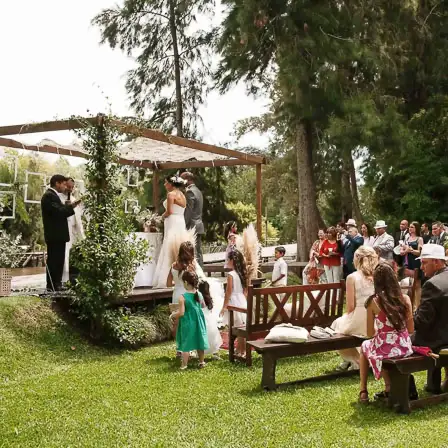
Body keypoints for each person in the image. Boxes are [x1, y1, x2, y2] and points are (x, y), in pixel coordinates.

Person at [358, 263, 414, 403]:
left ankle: (364, 390)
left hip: (386, 348)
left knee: (366, 346)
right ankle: (388, 386)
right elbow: (411, 329)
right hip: (404, 347)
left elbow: (370, 332)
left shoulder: (373, 302)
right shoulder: (405, 299)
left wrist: (382, 330)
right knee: (377, 348)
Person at [331, 246, 378, 370]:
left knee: (337, 325)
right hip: (377, 318)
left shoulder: (352, 277)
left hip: (360, 318)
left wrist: (348, 317)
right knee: (341, 325)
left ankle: (354, 360)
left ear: (357, 258)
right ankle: (354, 359)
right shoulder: (378, 275)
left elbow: (351, 307)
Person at [413, 244, 448, 393]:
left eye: (424, 262)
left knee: (400, 341)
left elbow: (421, 322)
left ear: (436, 262)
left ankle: (401, 389)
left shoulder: (432, 285)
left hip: (438, 340)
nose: (421, 267)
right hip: (442, 334)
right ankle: (436, 383)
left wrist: (412, 314)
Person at [41, 175, 80, 291]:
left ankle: (56, 284)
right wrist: (71, 206)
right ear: (57, 183)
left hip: (58, 235)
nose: (65, 187)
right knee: (54, 261)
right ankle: (53, 285)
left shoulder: (53, 196)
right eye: (63, 184)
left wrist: (67, 207)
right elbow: (58, 212)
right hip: (55, 235)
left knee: (58, 260)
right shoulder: (49, 196)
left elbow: (59, 211)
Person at [152, 174, 192, 288]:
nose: (164, 185)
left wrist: (160, 217)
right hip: (180, 220)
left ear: (171, 184)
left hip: (172, 220)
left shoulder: (171, 194)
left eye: (166, 182)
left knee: (169, 247)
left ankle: (165, 280)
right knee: (180, 247)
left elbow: (169, 211)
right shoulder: (183, 195)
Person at [170, 270, 209, 370]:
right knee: (199, 340)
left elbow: (181, 313)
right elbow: (203, 305)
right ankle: (202, 362)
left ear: (186, 283)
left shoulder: (182, 297)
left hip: (188, 322)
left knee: (185, 343)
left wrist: (173, 315)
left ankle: (184, 364)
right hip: (199, 322)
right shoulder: (199, 294)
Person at [220, 249, 248, 357]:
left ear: (232, 260)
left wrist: (224, 306)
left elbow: (229, 291)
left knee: (237, 328)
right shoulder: (242, 274)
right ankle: (241, 350)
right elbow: (245, 291)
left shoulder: (231, 274)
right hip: (242, 300)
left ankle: (240, 351)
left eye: (228, 259)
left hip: (234, 302)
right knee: (242, 327)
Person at [59, 178, 85, 284]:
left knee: (78, 254)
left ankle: (76, 278)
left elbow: (78, 216)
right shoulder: (59, 198)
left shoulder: (74, 198)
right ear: (64, 185)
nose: (70, 189)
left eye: (72, 187)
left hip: (75, 230)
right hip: (65, 230)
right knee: (65, 255)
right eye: (68, 186)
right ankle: (63, 280)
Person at [181, 171, 205, 267]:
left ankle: (196, 274)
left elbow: (189, 211)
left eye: (182, 179)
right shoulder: (198, 191)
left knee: (192, 252)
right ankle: (201, 272)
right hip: (199, 225)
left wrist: (183, 225)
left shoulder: (190, 192)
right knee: (198, 251)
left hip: (191, 225)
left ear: (187, 180)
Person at [401, 221, 423, 309]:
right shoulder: (407, 238)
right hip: (407, 262)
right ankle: (410, 304)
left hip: (415, 262)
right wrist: (403, 251)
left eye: (412, 227)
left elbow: (420, 252)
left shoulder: (419, 239)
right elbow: (403, 250)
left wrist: (411, 250)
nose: (410, 229)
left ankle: (418, 306)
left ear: (416, 228)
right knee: (409, 283)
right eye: (409, 227)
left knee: (417, 284)